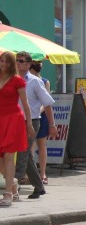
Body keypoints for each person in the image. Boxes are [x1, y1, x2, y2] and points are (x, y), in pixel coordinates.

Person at [0, 51, 35, 207]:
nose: (4, 64)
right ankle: (12, 183)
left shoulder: (17, 80)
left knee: (8, 156)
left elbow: (25, 104)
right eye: (1, 61)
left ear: (12, 64)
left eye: (7, 61)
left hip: (13, 119)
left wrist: (29, 124)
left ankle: (7, 194)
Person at [15, 52, 51, 198]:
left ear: (28, 64)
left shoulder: (35, 81)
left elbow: (47, 103)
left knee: (22, 152)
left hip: (32, 121)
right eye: (16, 60)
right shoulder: (13, 80)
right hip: (15, 121)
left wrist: (52, 124)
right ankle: (39, 186)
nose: (18, 63)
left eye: (21, 61)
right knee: (26, 156)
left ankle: (13, 187)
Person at [28, 60, 52, 180]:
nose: (40, 64)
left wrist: (39, 110)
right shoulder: (27, 80)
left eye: (40, 62)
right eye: (37, 62)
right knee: (30, 145)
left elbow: (46, 101)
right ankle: (30, 173)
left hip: (41, 116)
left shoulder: (45, 81)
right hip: (30, 116)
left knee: (42, 145)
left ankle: (42, 173)